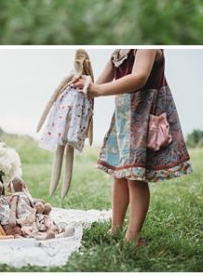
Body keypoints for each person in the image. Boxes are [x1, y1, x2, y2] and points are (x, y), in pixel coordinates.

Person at [72, 48, 192, 245]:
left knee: (135, 176)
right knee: (120, 174)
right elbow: (97, 84)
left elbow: (139, 77)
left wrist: (99, 90)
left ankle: (133, 236)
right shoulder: (119, 51)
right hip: (124, 116)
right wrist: (83, 86)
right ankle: (116, 227)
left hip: (144, 115)